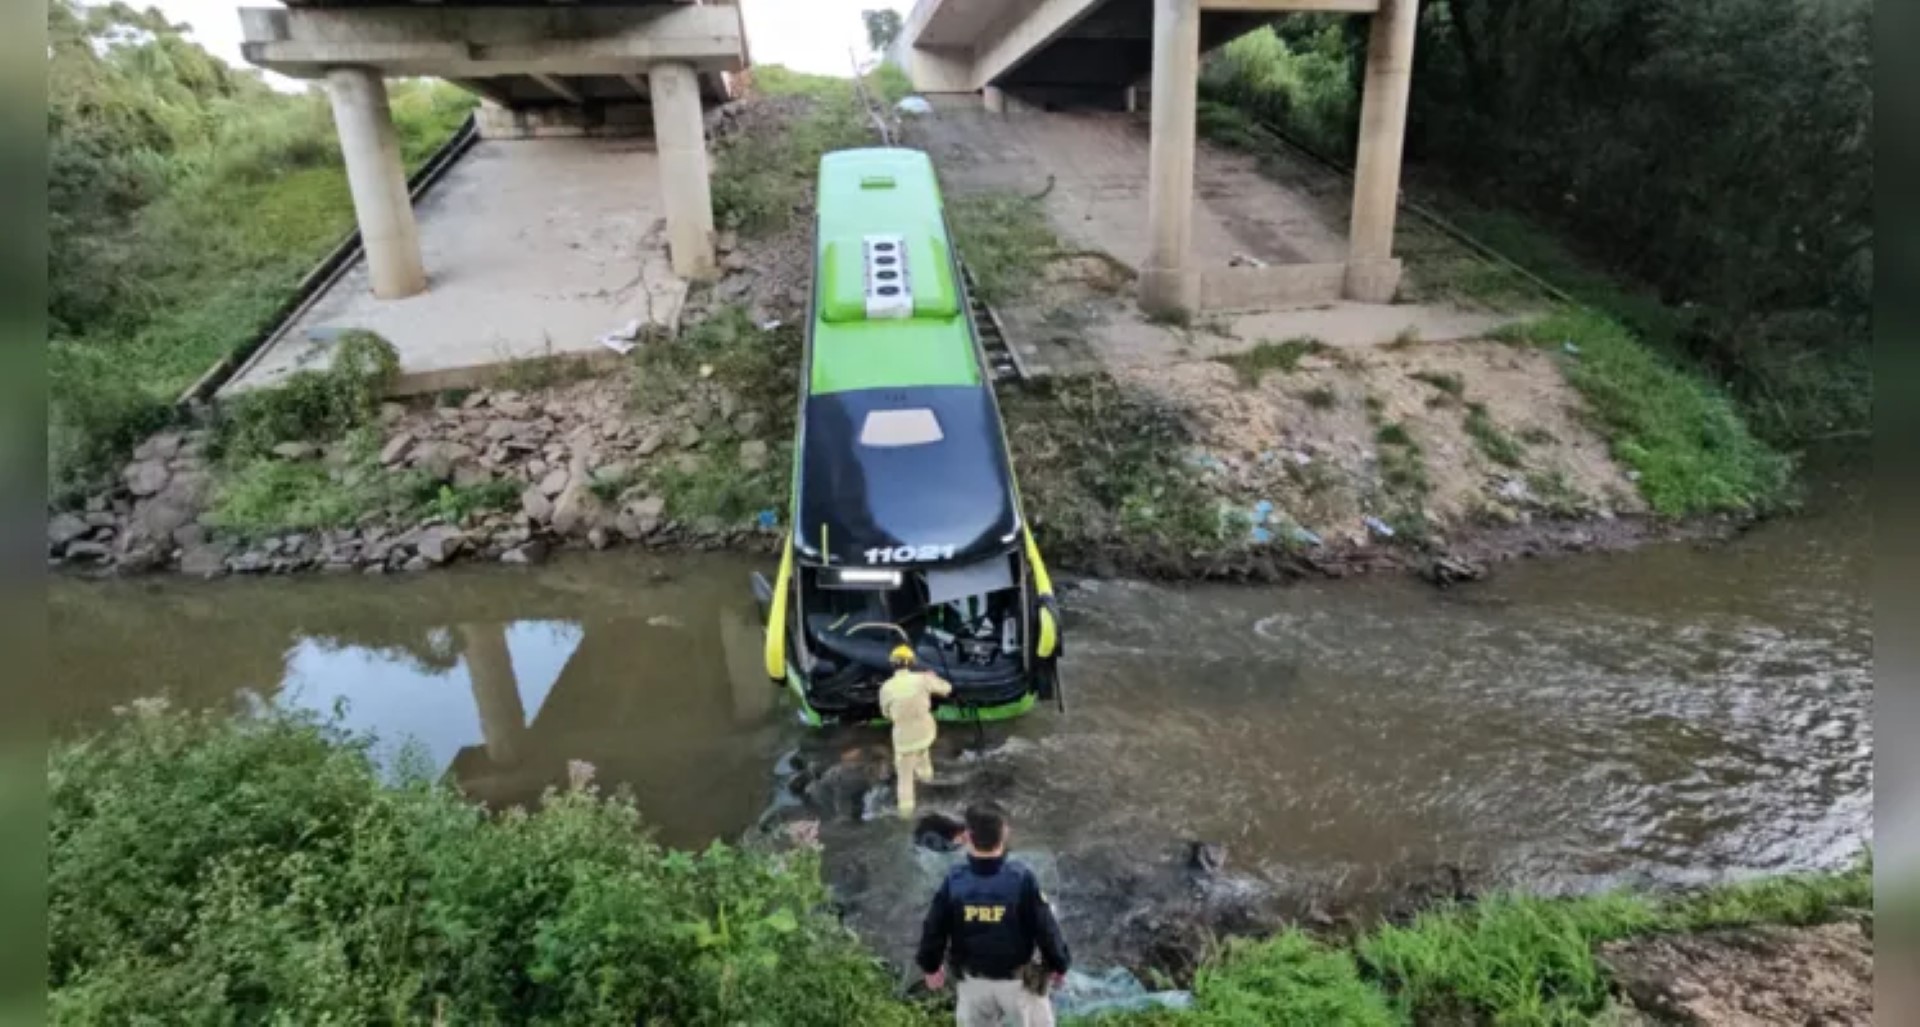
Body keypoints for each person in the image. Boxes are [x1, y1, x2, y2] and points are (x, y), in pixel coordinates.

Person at [916, 802, 1071, 1027]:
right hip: (1017, 982)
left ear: (967, 837)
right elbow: (1045, 928)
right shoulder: (1022, 878)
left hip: (972, 983)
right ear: (1005, 833)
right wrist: (1059, 964)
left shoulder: (953, 880)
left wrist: (930, 966)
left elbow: (934, 928)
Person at [878, 643, 952, 817]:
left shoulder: (886, 687)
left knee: (905, 778)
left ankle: (905, 815)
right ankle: (929, 785)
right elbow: (947, 688)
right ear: (911, 663)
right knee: (923, 755)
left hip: (904, 740)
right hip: (927, 733)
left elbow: (886, 714)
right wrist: (932, 677)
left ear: (892, 664)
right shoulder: (922, 679)